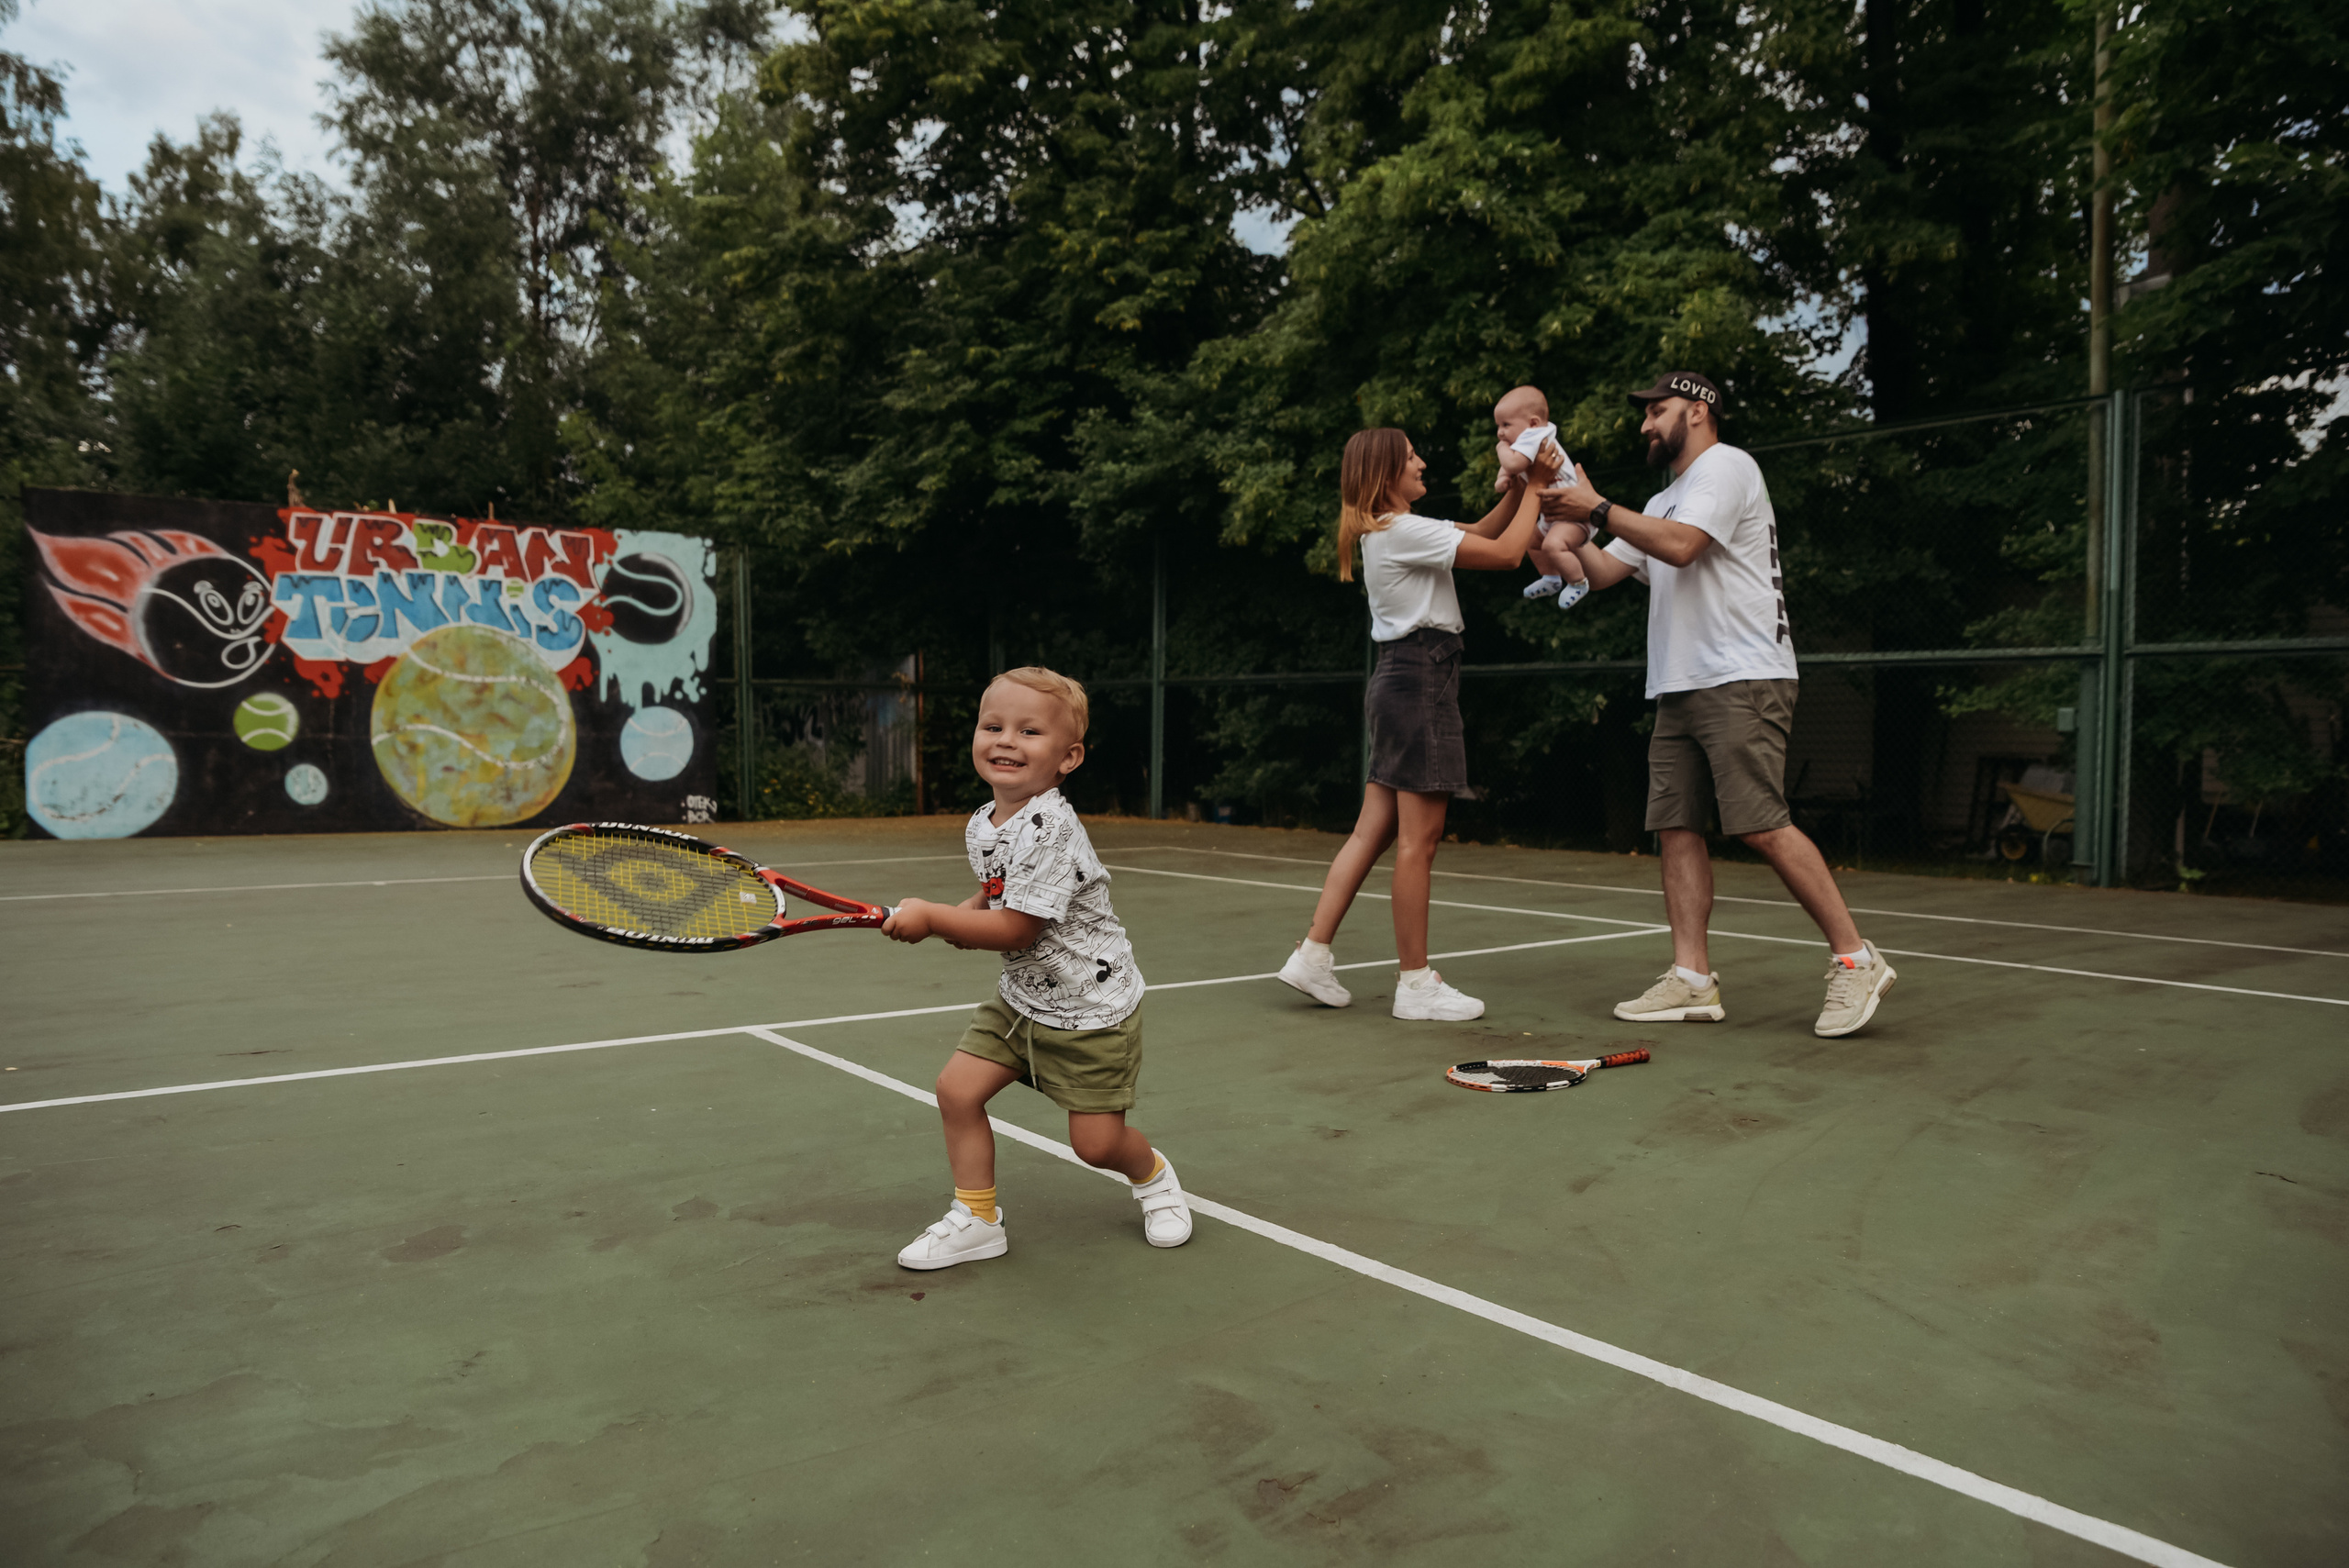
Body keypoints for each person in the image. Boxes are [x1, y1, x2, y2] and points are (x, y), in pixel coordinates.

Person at [1539, 372, 1896, 1038]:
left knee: (1759, 822)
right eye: (1644, 414)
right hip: (1680, 682)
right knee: (1676, 827)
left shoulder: (1728, 468)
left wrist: (1592, 508)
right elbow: (1601, 571)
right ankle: (1693, 980)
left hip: (1741, 675)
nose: (1646, 424)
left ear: (1698, 412)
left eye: (1658, 411)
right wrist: (1546, 519)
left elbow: (1683, 546)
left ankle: (1857, 958)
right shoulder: (1664, 497)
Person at [882, 666, 1191, 1268]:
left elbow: (1020, 926)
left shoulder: (1053, 829)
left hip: (1091, 1011)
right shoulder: (986, 821)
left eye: (1028, 731)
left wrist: (936, 918)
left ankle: (1153, 1177)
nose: (1005, 740)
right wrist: (966, 912)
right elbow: (999, 894)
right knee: (956, 1091)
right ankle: (977, 1218)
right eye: (992, 725)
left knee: (1096, 1145)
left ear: (1068, 757)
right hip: (1023, 998)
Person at [1276, 424, 1561, 1021]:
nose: (1423, 463)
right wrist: (1537, 483)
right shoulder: (1402, 530)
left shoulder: (1393, 530)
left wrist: (1514, 487)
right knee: (1419, 841)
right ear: (1387, 475)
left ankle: (1311, 954)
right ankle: (1415, 982)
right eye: (1411, 459)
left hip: (1400, 678)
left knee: (1371, 832)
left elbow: (1485, 531)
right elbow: (1508, 554)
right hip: (1421, 679)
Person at [1490, 384, 1589, 611]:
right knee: (1532, 542)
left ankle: (1578, 582)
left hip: (1575, 514)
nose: (1500, 433)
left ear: (1533, 423)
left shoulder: (1536, 436)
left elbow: (1513, 462)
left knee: (1554, 545)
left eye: (1506, 425)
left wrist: (1500, 449)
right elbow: (1512, 467)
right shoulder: (1524, 442)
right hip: (1553, 515)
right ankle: (1551, 579)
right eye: (1498, 426)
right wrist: (1502, 478)